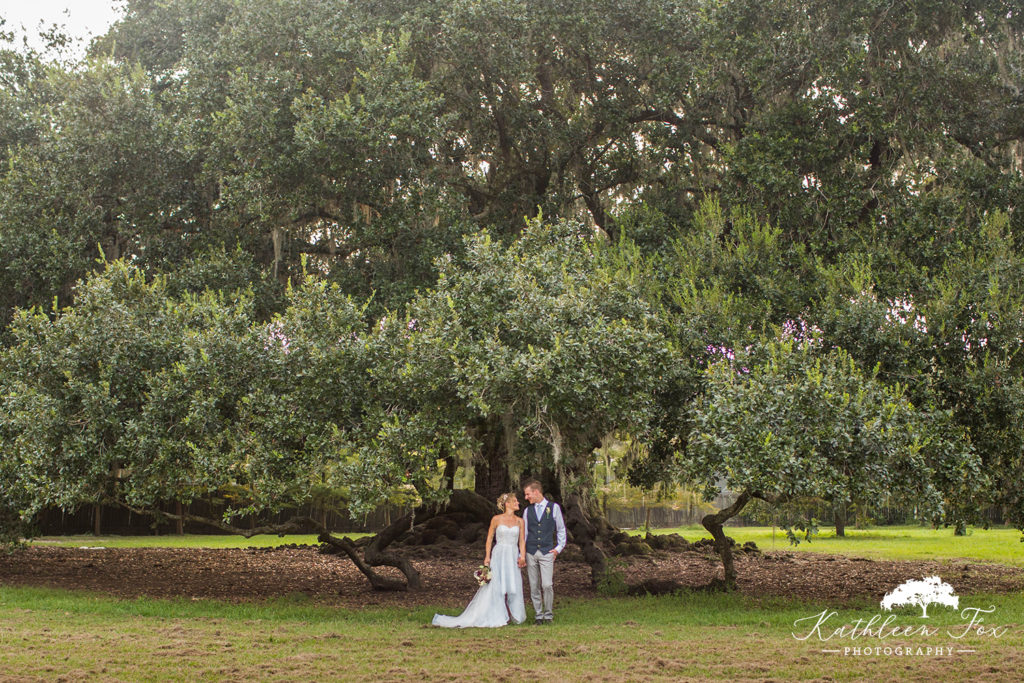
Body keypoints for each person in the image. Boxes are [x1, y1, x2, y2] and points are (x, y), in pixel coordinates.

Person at [431, 492, 527, 628]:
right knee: (497, 584)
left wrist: (522, 556)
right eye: (515, 501)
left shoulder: (520, 521)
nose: (518, 503)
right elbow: (489, 538)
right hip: (499, 553)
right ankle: (499, 614)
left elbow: (522, 540)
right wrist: (487, 556)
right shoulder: (496, 519)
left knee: (512, 583)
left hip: (512, 553)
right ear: (507, 504)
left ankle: (513, 613)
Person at [522, 479, 566, 625]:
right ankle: (538, 615)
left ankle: (548, 614)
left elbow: (560, 529)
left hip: (547, 551)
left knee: (547, 585)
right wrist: (521, 554)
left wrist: (558, 548)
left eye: (528, 494)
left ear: (536, 492)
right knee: (534, 585)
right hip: (531, 552)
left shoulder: (554, 508)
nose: (526, 497)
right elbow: (525, 534)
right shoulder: (527, 511)